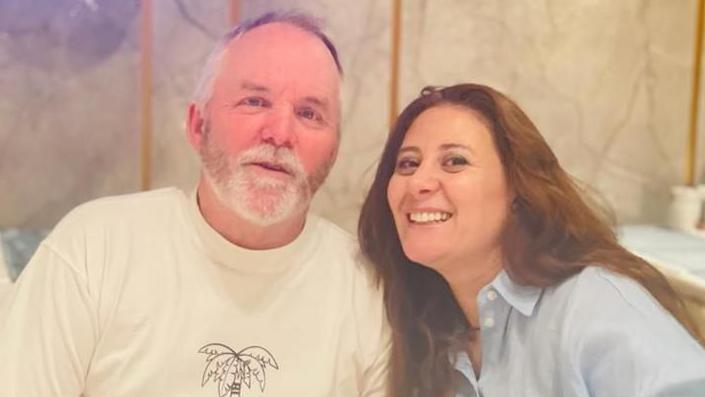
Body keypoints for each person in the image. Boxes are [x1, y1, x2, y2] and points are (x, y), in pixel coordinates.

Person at [0, 12, 390, 397]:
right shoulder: (93, 249)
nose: (280, 133)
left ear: (334, 148)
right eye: (254, 101)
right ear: (197, 125)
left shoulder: (368, 293)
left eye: (309, 113)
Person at [358, 83, 705, 397]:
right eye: (407, 164)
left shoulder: (590, 305)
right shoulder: (421, 328)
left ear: (518, 189)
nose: (419, 181)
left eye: (454, 161)